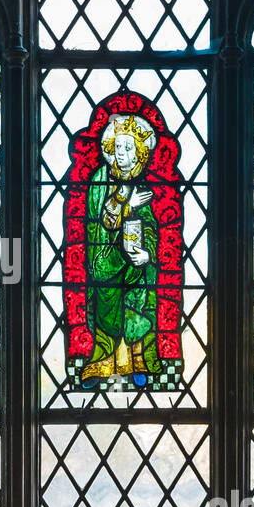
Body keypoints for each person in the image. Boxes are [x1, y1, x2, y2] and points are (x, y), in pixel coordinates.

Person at [81, 112, 159, 387]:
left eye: (128, 148)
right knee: (107, 304)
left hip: (134, 262)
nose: (122, 153)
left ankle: (136, 360)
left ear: (139, 153)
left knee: (136, 303)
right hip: (106, 258)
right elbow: (102, 221)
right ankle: (103, 362)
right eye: (118, 147)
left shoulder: (141, 185)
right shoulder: (100, 180)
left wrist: (147, 254)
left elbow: (150, 227)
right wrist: (129, 204)